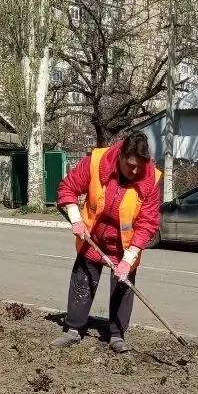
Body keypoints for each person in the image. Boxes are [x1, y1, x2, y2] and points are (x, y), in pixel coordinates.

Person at [53, 132, 162, 353]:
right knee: (82, 282)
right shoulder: (96, 161)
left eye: (139, 167)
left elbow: (148, 223)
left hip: (125, 246)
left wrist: (128, 260)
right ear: (120, 155)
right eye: (130, 165)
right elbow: (68, 188)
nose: (134, 171)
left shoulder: (151, 178)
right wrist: (76, 220)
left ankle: (116, 335)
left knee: (123, 288)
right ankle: (73, 329)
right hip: (92, 238)